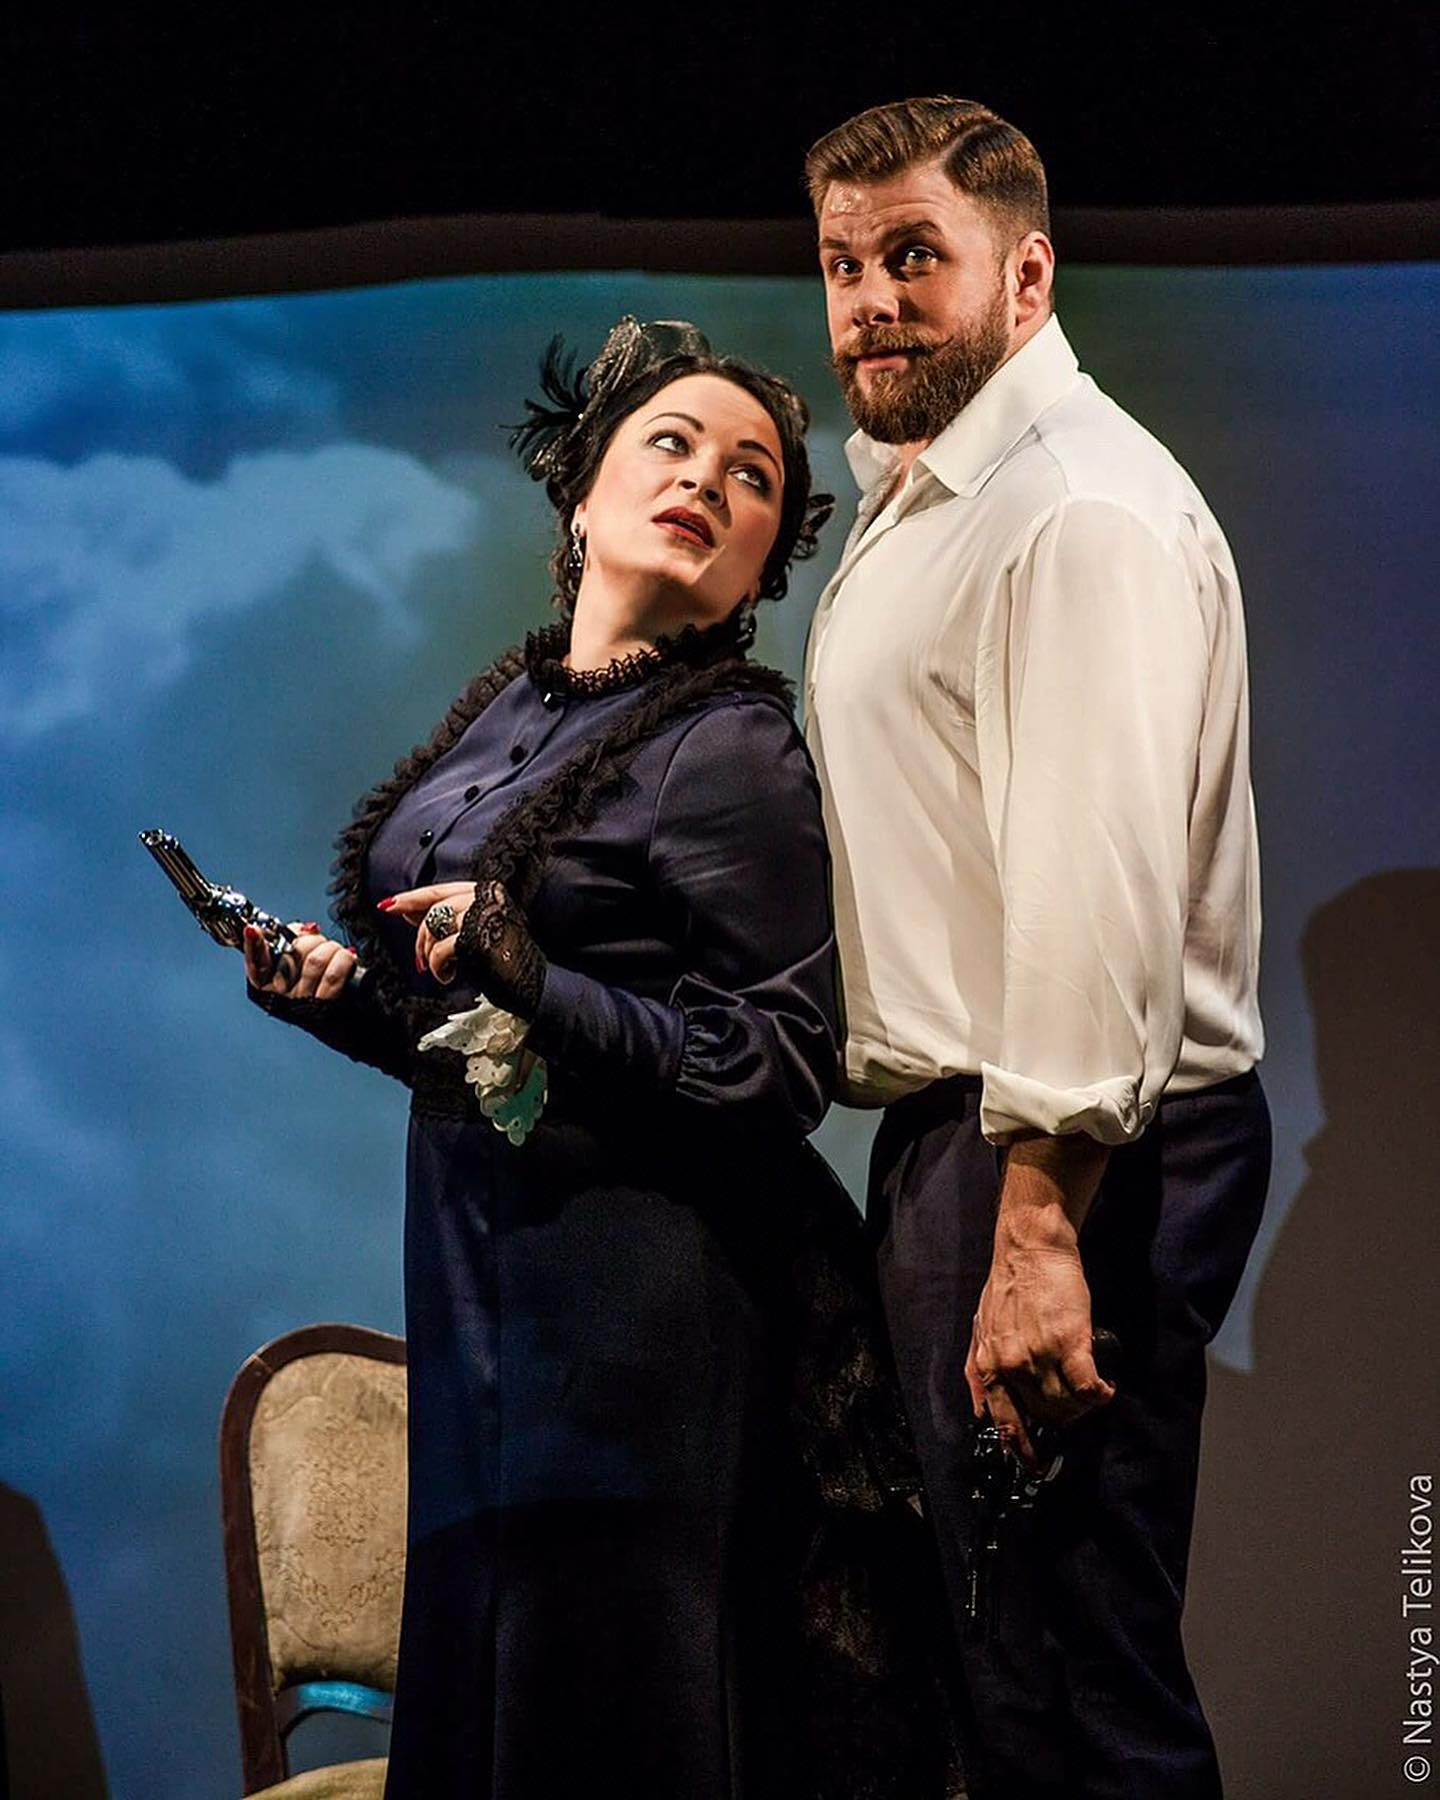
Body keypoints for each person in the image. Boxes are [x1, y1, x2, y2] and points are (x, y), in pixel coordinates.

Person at [240, 317, 961, 1799]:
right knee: (501, 1698)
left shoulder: (732, 746)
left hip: (645, 1314)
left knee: (611, 1713)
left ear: (762, 568)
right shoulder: (514, 707)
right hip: (484, 1279)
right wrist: (344, 1002)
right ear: (581, 491)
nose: (706, 481)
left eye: (752, 476)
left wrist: (532, 971)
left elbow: (779, 1062)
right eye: (671, 444)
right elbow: (495, 1050)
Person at [802, 99, 1272, 1799]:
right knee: (1007, 1684)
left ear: (1028, 273)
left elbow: (1091, 885)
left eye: (914, 255)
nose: (871, 300)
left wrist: (1038, 1225)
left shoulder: (1071, 507)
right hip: (984, 1144)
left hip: (1063, 1156)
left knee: (1071, 1685)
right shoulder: (937, 498)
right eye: (843, 264)